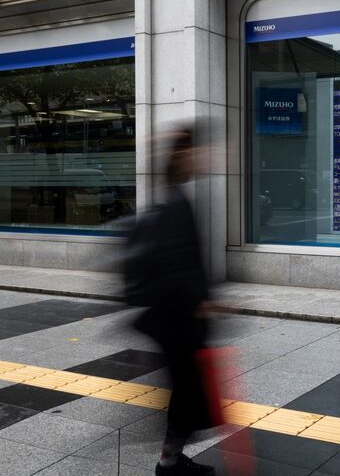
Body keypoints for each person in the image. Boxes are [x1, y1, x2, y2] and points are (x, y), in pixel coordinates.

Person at [127, 130, 216, 476]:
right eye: (198, 151)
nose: (205, 157)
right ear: (181, 157)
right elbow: (179, 263)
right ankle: (168, 462)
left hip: (174, 318)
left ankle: (170, 458)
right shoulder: (175, 204)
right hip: (178, 320)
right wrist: (199, 302)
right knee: (186, 394)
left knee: (185, 392)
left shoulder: (174, 199)